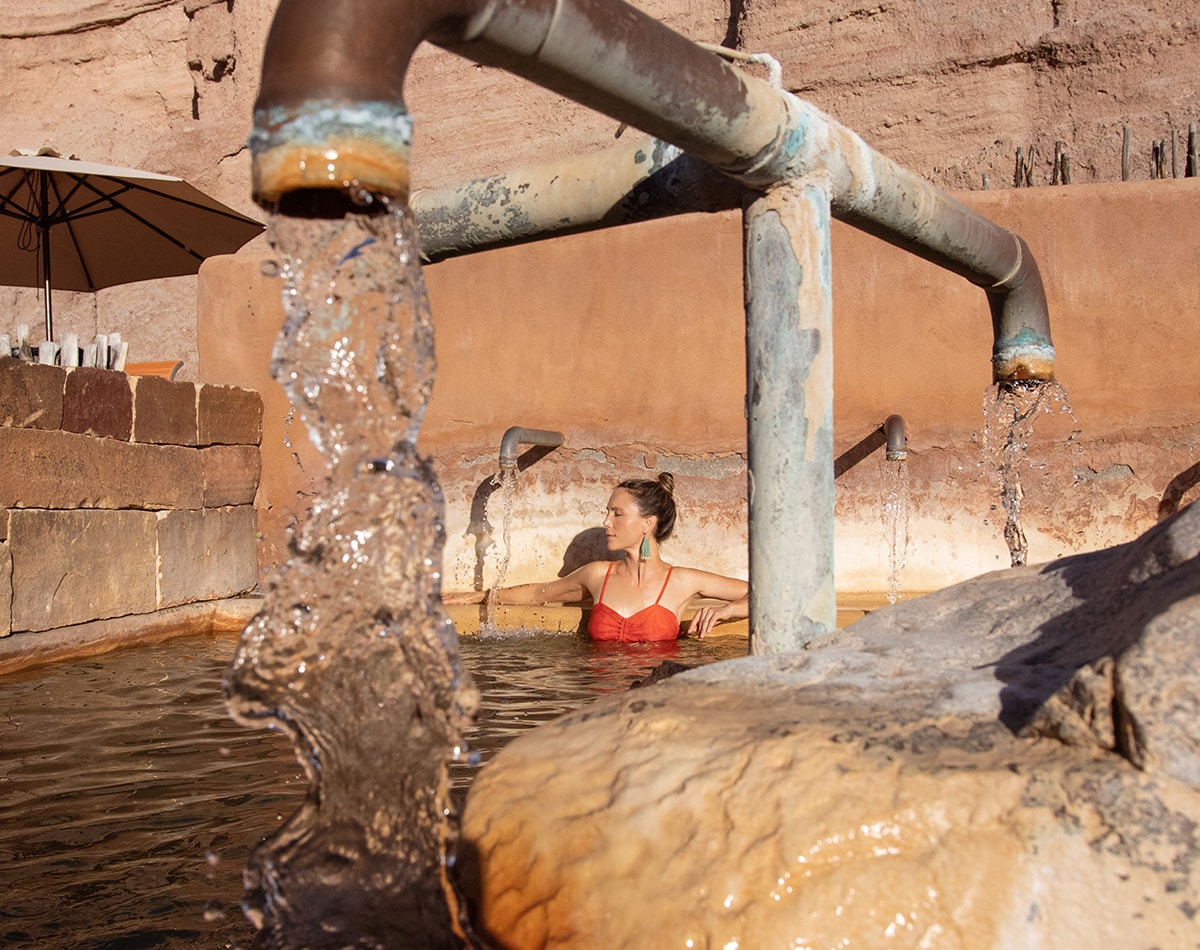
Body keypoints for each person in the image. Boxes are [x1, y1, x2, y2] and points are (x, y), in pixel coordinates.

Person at [445, 473, 748, 641]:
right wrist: (475, 598)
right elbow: (540, 593)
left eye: (617, 513)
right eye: (607, 512)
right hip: (597, 703)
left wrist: (727, 612)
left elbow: (765, 594)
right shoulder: (598, 575)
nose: (606, 521)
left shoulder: (682, 580)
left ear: (648, 523)